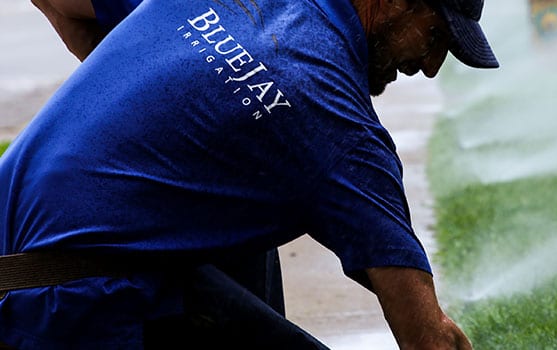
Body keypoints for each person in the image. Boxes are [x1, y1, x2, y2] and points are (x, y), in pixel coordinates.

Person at [0, 0, 498, 348]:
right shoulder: (333, 115)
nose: (432, 66)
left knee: (248, 181)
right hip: (70, 299)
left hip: (14, 253)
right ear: (391, 2)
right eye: (434, 35)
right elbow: (425, 336)